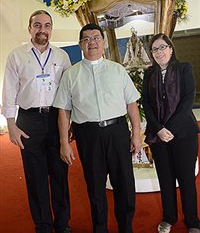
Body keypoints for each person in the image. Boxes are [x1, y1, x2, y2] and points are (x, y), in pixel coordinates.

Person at [53, 23, 141, 233]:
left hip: (117, 132)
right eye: (86, 39)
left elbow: (131, 103)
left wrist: (136, 134)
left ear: (102, 42)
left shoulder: (117, 70)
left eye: (95, 38)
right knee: (95, 189)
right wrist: (64, 143)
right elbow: (63, 111)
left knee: (125, 187)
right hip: (88, 136)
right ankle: (100, 229)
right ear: (80, 44)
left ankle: (126, 228)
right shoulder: (70, 75)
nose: (91, 42)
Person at [2, 10, 72, 233]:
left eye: (47, 25)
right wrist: (11, 124)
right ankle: (43, 226)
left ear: (51, 29)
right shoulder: (16, 56)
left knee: (59, 175)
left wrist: (70, 124)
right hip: (28, 120)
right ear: (30, 28)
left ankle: (62, 225)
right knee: (36, 177)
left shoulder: (62, 57)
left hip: (55, 119)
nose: (43, 29)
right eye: (38, 25)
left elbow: (69, 93)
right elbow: (9, 91)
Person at [141, 33, 200, 233]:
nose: (159, 52)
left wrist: (170, 129)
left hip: (183, 134)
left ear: (171, 48)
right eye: (155, 49)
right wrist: (158, 129)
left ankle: (192, 221)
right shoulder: (149, 73)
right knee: (165, 179)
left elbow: (187, 100)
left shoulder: (184, 69)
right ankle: (169, 218)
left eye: (162, 47)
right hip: (158, 136)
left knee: (186, 179)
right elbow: (146, 103)